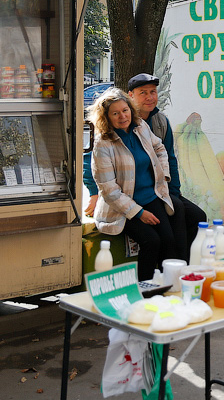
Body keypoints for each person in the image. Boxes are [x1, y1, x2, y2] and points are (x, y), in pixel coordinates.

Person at [85, 74, 206, 248]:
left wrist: (171, 189)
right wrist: (93, 193)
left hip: (156, 190)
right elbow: (95, 167)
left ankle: (182, 263)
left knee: (191, 215)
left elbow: (168, 156)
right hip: (129, 196)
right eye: (143, 93)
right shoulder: (107, 136)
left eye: (153, 92)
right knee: (162, 233)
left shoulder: (156, 122)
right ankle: (176, 262)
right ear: (131, 96)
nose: (149, 97)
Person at [88, 87, 187, 280]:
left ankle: (171, 288)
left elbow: (160, 148)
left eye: (125, 110)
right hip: (120, 208)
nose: (122, 116)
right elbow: (109, 191)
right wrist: (139, 213)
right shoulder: (103, 144)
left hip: (151, 197)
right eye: (115, 113)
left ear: (131, 109)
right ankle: (145, 290)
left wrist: (162, 175)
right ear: (106, 117)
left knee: (168, 239)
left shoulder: (140, 126)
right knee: (152, 241)